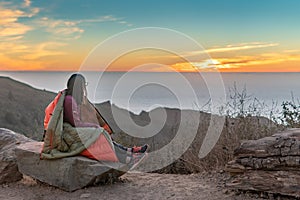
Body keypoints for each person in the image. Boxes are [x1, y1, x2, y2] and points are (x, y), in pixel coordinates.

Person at [41, 73, 148, 169]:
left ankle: (129, 151)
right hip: (69, 132)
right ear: (79, 86)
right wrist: (93, 126)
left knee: (102, 133)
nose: (84, 88)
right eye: (84, 85)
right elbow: (76, 123)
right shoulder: (70, 101)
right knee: (100, 134)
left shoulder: (71, 99)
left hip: (72, 129)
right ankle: (126, 158)